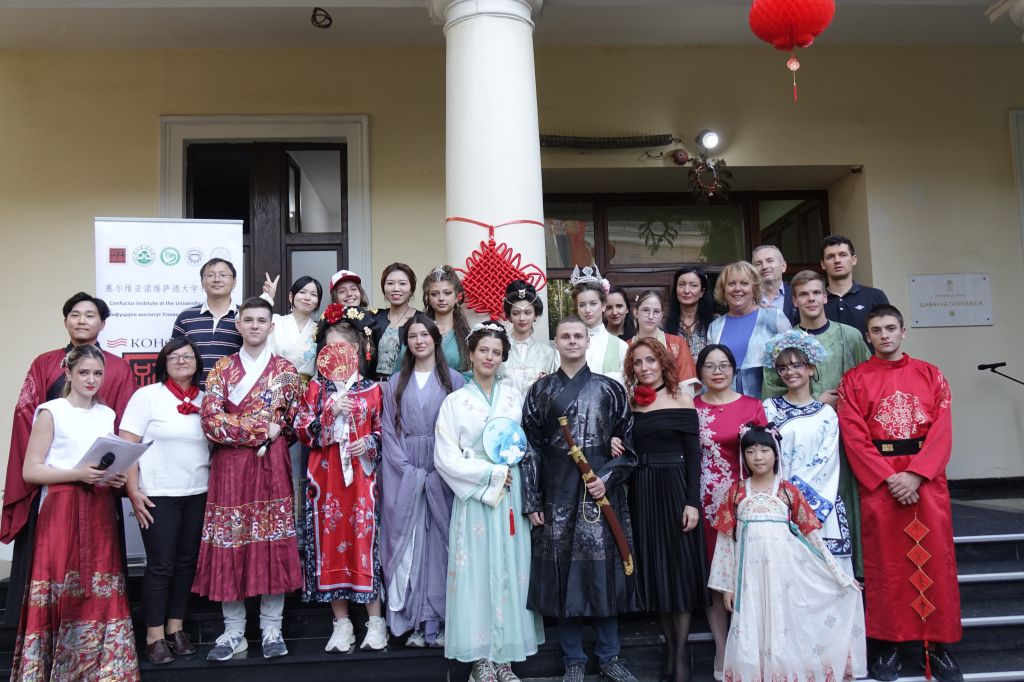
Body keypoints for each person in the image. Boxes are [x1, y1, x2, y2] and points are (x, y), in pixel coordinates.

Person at [837, 304, 963, 682]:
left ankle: (937, 646)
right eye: (877, 330)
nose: (885, 335)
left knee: (936, 562)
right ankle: (889, 644)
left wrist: (917, 475)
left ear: (903, 331)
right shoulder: (854, 381)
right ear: (868, 337)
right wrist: (889, 478)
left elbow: (942, 429)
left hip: (925, 479)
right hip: (881, 482)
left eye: (891, 328)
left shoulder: (931, 374)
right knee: (886, 566)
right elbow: (854, 436)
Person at [1, 292, 137, 628]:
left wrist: (119, 474)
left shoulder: (118, 369)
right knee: (54, 567)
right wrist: (39, 470)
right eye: (75, 314)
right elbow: (26, 417)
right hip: (57, 489)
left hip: (98, 490)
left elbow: (125, 426)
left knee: (101, 569)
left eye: (90, 315)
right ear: (65, 321)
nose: (81, 321)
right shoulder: (45, 364)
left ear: (102, 324)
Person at [9, 345, 140, 681]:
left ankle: (104, 672)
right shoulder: (51, 411)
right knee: (60, 585)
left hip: (99, 507)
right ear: (68, 373)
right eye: (83, 372)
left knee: (101, 585)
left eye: (97, 373)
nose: (91, 379)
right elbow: (31, 471)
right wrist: (77, 473)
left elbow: (104, 464)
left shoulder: (106, 414)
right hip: (62, 507)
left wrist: (114, 478)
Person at [521, 315, 640, 682]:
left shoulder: (610, 389)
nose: (572, 341)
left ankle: (609, 655)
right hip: (556, 488)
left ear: (588, 342)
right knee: (563, 572)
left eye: (578, 336)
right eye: (565, 336)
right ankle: (572, 658)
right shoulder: (540, 391)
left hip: (599, 491)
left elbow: (629, 447)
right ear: (556, 343)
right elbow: (530, 448)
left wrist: (608, 478)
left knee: (604, 570)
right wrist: (532, 498)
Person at [708, 424, 865, 682]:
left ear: (776, 453)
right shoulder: (736, 493)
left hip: (786, 576)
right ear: (743, 456)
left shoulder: (788, 492)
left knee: (785, 627)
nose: (758, 457)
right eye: (750, 451)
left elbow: (813, 537)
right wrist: (727, 586)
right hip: (749, 579)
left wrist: (840, 576)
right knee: (751, 627)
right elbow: (725, 542)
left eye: (764, 450)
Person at [193, 296, 304, 661]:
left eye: (261, 320)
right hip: (230, 468)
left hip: (271, 465)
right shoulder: (222, 368)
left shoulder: (285, 370)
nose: (255, 326)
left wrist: (264, 432)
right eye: (249, 320)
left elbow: (291, 423)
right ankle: (233, 630)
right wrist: (259, 430)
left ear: (271, 327)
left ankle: (272, 626)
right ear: (238, 325)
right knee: (231, 539)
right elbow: (211, 421)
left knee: (272, 540)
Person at [434, 322, 543, 682]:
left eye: (496, 352)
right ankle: (480, 658)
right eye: (483, 350)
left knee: (512, 568)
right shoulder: (455, 402)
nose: (489, 357)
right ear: (471, 353)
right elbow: (445, 458)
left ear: (503, 357)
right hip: (477, 494)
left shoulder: (514, 397)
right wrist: (489, 473)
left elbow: (527, 444)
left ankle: (505, 657)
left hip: (511, 492)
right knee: (476, 572)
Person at [762, 269, 871, 577]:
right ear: (794, 301)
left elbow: (868, 380)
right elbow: (771, 391)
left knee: (845, 496)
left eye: (815, 293)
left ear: (825, 296)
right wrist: (813, 404)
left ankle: (854, 572)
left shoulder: (849, 336)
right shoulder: (783, 343)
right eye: (803, 294)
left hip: (846, 433)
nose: (810, 299)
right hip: (799, 437)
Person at [295, 304, 387, 652]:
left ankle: (375, 623)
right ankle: (342, 624)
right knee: (331, 545)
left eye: (344, 347)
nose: (338, 354)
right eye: (331, 347)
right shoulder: (315, 390)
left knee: (364, 542)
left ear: (358, 350)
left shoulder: (373, 390)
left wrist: (370, 442)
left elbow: (384, 432)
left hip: (363, 481)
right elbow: (302, 430)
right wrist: (329, 412)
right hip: (327, 479)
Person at [624, 338, 709, 682]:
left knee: (679, 567)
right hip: (643, 489)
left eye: (650, 360)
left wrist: (692, 502)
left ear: (662, 363)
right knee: (656, 566)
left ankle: (680, 655)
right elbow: (625, 448)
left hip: (675, 486)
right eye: (638, 362)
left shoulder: (682, 399)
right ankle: (669, 648)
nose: (645, 367)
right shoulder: (630, 403)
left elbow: (694, 457)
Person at [120, 338, 208, 665]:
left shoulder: (206, 400)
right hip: (158, 495)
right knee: (161, 565)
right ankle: (154, 636)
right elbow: (128, 446)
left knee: (186, 565)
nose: (182, 361)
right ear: (163, 363)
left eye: (188, 356)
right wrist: (133, 491)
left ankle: (176, 629)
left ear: (197, 363)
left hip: (198, 492)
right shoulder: (147, 396)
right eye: (174, 357)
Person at [381, 313, 465, 647]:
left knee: (442, 544)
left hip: (444, 470)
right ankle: (412, 619)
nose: (419, 341)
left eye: (425, 335)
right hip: (406, 473)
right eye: (413, 336)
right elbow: (388, 433)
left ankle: (441, 620)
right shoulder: (394, 383)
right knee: (410, 544)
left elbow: (463, 431)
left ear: (436, 339)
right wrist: (409, 472)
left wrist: (445, 468)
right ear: (407, 343)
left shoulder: (454, 381)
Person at [693, 344, 766, 679]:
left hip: (746, 500)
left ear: (734, 369)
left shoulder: (752, 406)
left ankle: (750, 647)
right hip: (706, 502)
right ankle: (722, 649)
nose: (718, 371)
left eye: (724, 365)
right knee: (716, 575)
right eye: (710, 366)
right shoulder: (692, 407)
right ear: (700, 372)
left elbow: (766, 454)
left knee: (748, 572)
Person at [761, 330, 852, 575]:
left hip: (820, 501)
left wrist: (796, 497)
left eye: (796, 365)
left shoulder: (826, 414)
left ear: (811, 368)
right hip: (778, 501)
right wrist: (780, 496)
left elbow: (827, 461)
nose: (789, 372)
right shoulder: (769, 409)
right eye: (782, 368)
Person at [707, 260, 791, 398]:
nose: (737, 288)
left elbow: (793, 360)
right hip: (725, 400)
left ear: (754, 289)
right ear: (723, 290)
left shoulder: (773, 317)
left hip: (768, 400)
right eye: (731, 284)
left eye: (744, 283)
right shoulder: (715, 326)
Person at [171, 257, 244, 387]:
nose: (217, 279)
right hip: (193, 393)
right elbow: (173, 357)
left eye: (223, 275)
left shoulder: (245, 317)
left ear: (234, 282)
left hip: (235, 393)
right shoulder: (186, 317)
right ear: (202, 282)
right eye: (210, 275)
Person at [627, 289, 697, 392]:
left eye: (656, 311)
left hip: (673, 399)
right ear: (636, 313)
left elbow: (687, 386)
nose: (651, 316)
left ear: (661, 316)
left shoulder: (677, 343)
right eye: (645, 310)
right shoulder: (625, 346)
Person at [569, 265, 629, 384]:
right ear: (577, 308)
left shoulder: (621, 346)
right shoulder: (568, 344)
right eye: (582, 305)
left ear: (603, 306)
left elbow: (627, 386)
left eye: (593, 303)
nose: (587, 310)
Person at [821, 235, 889, 338]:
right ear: (823, 264)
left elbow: (887, 336)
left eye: (843, 255)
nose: (837, 260)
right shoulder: (815, 301)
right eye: (830, 257)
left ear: (854, 259)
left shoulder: (874, 296)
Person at [261, 274, 323, 381]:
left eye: (313, 294)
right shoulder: (275, 321)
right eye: (302, 292)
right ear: (291, 297)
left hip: (306, 389)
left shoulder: (320, 330)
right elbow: (245, 318)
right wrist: (267, 298)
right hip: (274, 383)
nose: (307, 298)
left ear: (318, 303)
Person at [502, 279, 558, 396]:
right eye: (516, 313)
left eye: (527, 313)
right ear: (509, 316)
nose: (522, 318)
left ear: (535, 315)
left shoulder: (548, 352)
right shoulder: (500, 350)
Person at [372, 262, 417, 380]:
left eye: (402, 283)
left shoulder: (421, 320)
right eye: (390, 283)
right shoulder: (374, 318)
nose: (396, 289)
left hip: (406, 383)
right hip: (374, 386)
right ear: (384, 288)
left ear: (411, 289)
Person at [422, 265, 471, 373]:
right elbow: (402, 371)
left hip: (456, 384)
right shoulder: (418, 329)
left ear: (457, 296)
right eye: (434, 294)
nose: (441, 298)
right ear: (428, 298)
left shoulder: (467, 336)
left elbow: (471, 375)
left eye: (447, 293)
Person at [664, 266, 716, 364]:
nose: (686, 291)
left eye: (693, 285)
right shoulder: (663, 325)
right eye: (681, 285)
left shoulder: (715, 323)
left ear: (702, 292)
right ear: (676, 289)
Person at [751, 244, 795, 320]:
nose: (764, 267)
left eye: (770, 261)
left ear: (783, 266)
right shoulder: (747, 298)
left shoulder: (796, 294)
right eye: (758, 264)